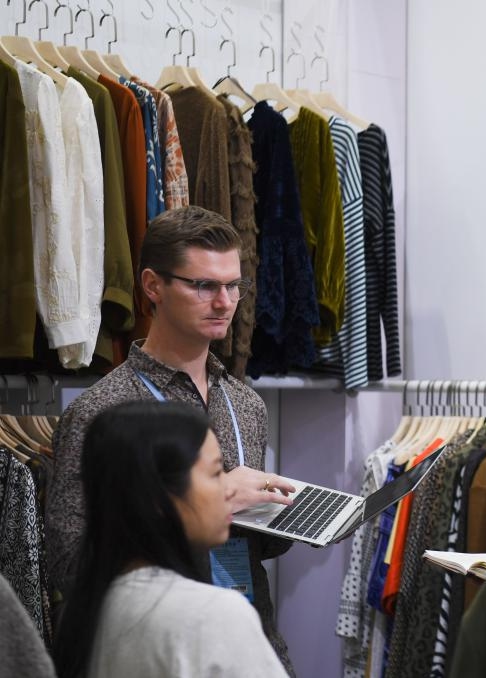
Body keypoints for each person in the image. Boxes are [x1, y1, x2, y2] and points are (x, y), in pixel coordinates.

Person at [45, 206, 297, 674]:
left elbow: (255, 549)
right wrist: (218, 496)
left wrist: (284, 515)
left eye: (233, 286)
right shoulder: (101, 411)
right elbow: (69, 564)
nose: (224, 302)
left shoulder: (246, 404)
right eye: (204, 285)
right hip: (155, 651)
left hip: (247, 639)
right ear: (152, 286)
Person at [51, 401, 289, 678]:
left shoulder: (84, 610)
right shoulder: (213, 615)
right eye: (215, 473)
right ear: (159, 497)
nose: (229, 490)